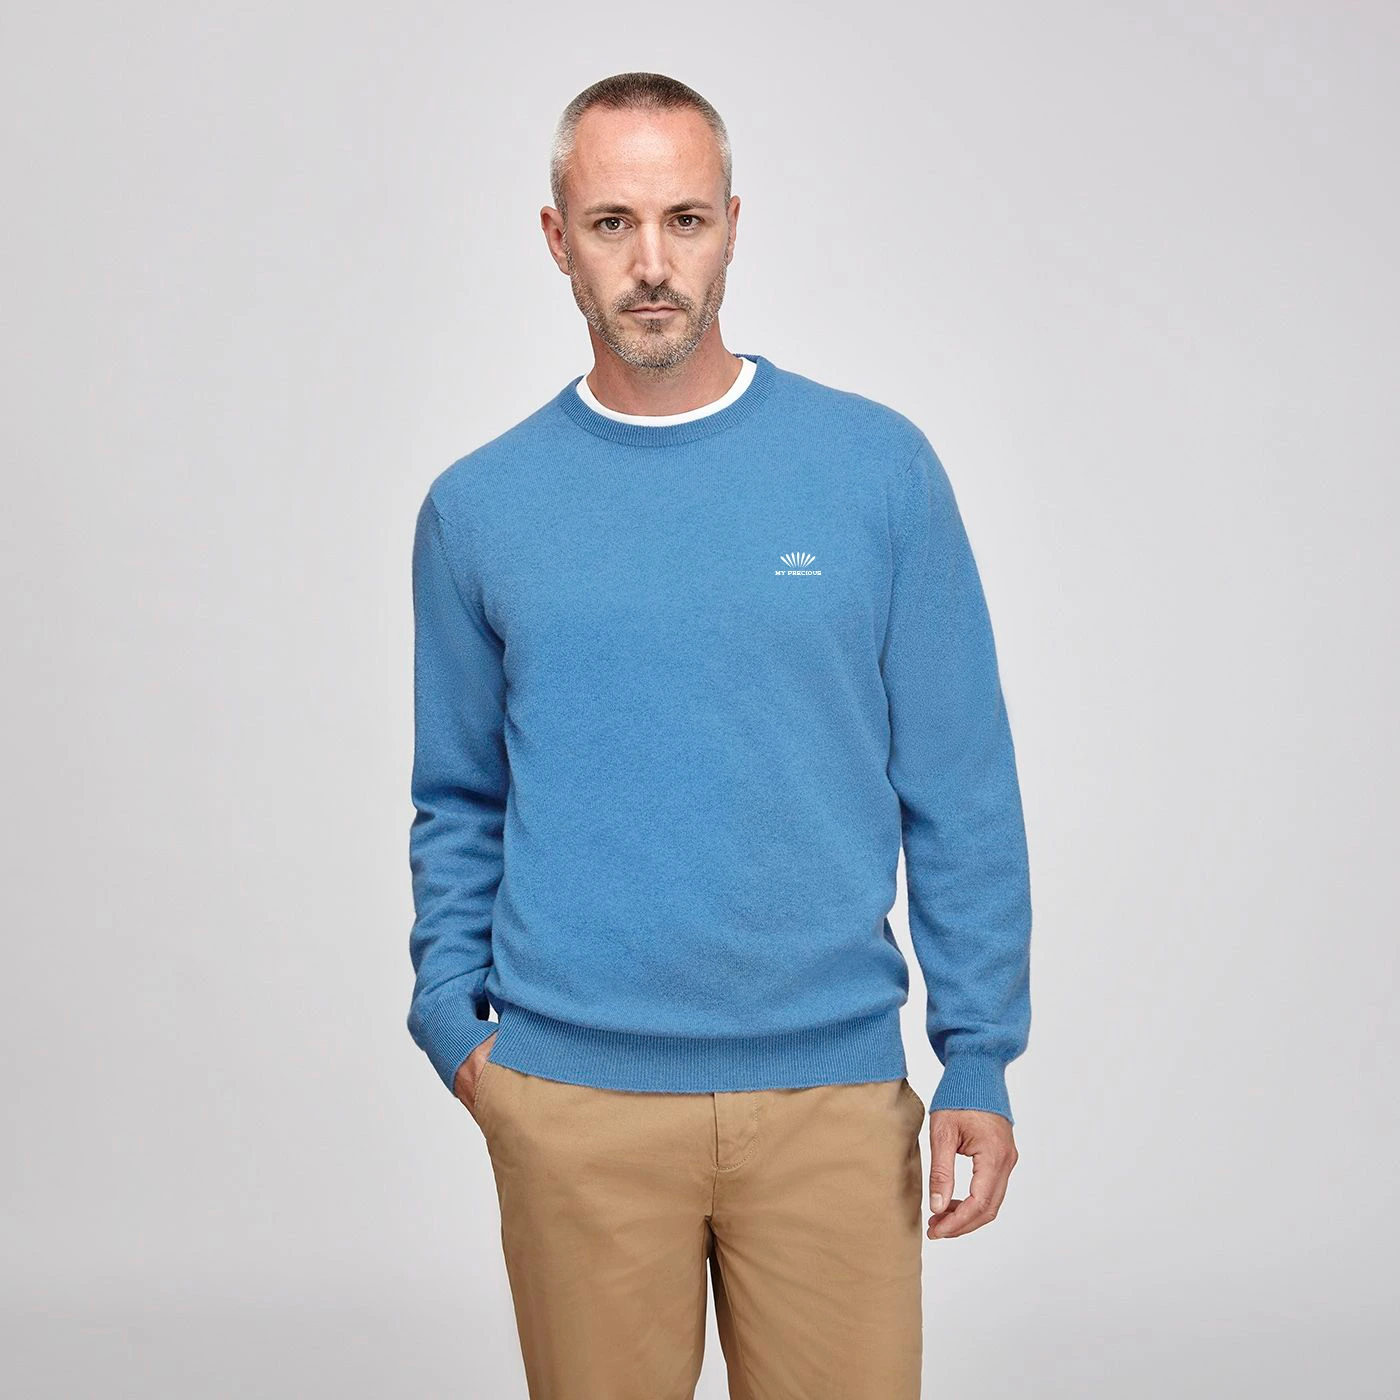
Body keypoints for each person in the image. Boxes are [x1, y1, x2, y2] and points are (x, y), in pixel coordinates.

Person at [406, 70, 1033, 1400]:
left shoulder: (875, 471)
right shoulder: (481, 507)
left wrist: (977, 1050)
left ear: (734, 226)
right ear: (557, 238)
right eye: (613, 222)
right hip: (573, 1102)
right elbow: (459, 795)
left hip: (830, 1104)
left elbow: (961, 783)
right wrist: (453, 1023)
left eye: (684, 219)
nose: (651, 264)